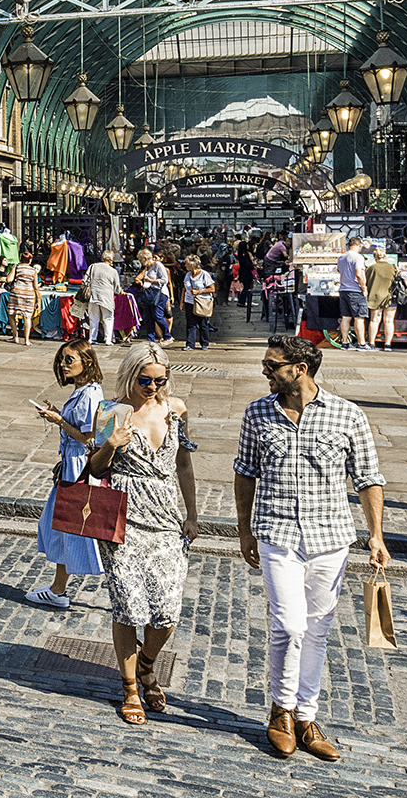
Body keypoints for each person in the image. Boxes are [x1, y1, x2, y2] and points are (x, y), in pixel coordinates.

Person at [233, 334, 389, 763]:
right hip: (277, 533)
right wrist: (244, 530)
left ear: (299, 369)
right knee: (289, 625)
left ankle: (306, 716)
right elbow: (245, 473)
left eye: (271, 365)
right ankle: (280, 711)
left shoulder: (346, 414)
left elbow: (368, 477)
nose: (264, 371)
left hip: (330, 537)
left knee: (317, 629)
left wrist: (376, 534)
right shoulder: (258, 413)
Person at [93, 343, 199, 723]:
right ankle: (130, 688)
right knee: (128, 606)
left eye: (160, 379)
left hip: (167, 517)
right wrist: (110, 444)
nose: (153, 387)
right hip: (123, 516)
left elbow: (183, 463)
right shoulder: (111, 411)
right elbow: (93, 467)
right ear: (130, 375)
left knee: (167, 612)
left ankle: (147, 663)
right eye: (145, 380)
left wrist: (192, 513)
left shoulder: (177, 410)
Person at [25, 341, 110, 609]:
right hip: (71, 465)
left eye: (70, 359)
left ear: (87, 361)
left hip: (78, 467)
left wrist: (59, 421)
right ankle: (57, 589)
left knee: (72, 527)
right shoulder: (83, 391)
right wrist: (59, 414)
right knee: (62, 526)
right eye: (62, 359)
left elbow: (88, 436)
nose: (63, 364)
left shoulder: (89, 395)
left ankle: (60, 590)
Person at [362, 246, 401, 351]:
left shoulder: (372, 268)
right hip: (390, 297)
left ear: (375, 257)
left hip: (375, 297)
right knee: (389, 321)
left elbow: (366, 282)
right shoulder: (393, 267)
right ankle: (388, 345)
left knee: (374, 320)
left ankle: (372, 343)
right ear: (385, 256)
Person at [83, 246, 122, 348]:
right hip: (107, 297)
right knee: (108, 318)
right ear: (111, 259)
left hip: (93, 296)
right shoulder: (113, 271)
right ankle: (108, 339)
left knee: (93, 318)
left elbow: (85, 280)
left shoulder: (93, 266)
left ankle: (92, 338)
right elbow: (117, 288)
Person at [334, 242, 371, 349]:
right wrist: (364, 287)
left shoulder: (341, 257)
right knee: (359, 318)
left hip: (343, 289)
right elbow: (358, 273)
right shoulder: (358, 257)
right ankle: (361, 343)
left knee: (345, 317)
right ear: (359, 245)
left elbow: (338, 270)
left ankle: (345, 343)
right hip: (355, 290)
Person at [134, 246, 171, 342]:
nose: (140, 262)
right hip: (149, 294)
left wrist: (151, 280)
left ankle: (167, 335)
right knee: (148, 317)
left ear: (146, 258)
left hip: (159, 294)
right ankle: (150, 338)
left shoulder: (158, 265)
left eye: (141, 260)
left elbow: (165, 280)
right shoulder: (147, 267)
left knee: (157, 315)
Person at [180, 254, 215, 351]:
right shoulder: (187, 275)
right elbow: (184, 288)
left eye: (186, 264)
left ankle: (204, 343)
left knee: (203, 324)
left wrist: (199, 292)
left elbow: (212, 288)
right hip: (189, 302)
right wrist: (182, 302)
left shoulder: (204, 274)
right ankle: (190, 344)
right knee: (190, 324)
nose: (185, 265)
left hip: (201, 302)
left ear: (192, 265)